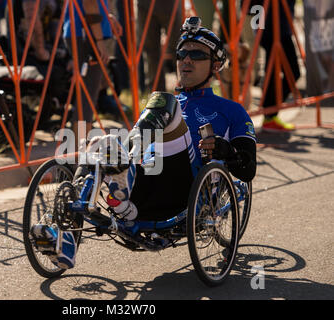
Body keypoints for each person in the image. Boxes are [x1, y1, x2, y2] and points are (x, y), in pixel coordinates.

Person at [29, 17, 257, 269]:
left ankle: (123, 169)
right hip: (146, 188)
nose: (186, 59)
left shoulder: (231, 110)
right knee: (98, 143)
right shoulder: (168, 106)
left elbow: (248, 169)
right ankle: (67, 238)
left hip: (188, 188)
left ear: (215, 65)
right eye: (182, 53)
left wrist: (227, 151)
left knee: (162, 102)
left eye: (197, 54)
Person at [63, 0, 122, 145]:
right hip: (85, 34)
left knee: (87, 97)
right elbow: (89, 3)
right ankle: (80, 155)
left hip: (81, 30)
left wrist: (106, 17)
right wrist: (99, 40)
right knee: (87, 99)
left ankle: (79, 151)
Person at [257, 0, 300, 132]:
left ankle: (270, 113)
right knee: (290, 72)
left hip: (274, 24)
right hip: (273, 25)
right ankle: (269, 114)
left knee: (277, 72)